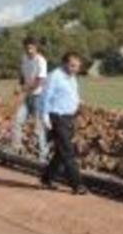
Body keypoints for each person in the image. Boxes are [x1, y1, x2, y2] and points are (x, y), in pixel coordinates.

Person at [40, 51, 87, 195]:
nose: (75, 69)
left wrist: (78, 102)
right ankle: (77, 184)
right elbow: (45, 97)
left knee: (61, 152)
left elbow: (72, 93)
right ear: (64, 63)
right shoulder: (54, 76)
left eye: (77, 66)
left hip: (69, 117)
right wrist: (45, 116)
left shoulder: (72, 77)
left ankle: (47, 178)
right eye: (72, 66)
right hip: (57, 117)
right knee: (68, 151)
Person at [11, 36, 49, 161]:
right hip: (28, 96)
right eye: (27, 48)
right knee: (17, 121)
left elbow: (40, 81)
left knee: (38, 127)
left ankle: (42, 156)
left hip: (39, 97)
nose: (29, 50)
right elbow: (23, 76)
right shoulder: (24, 59)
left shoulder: (41, 61)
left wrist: (23, 89)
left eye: (31, 48)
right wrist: (19, 85)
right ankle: (17, 150)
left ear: (36, 48)